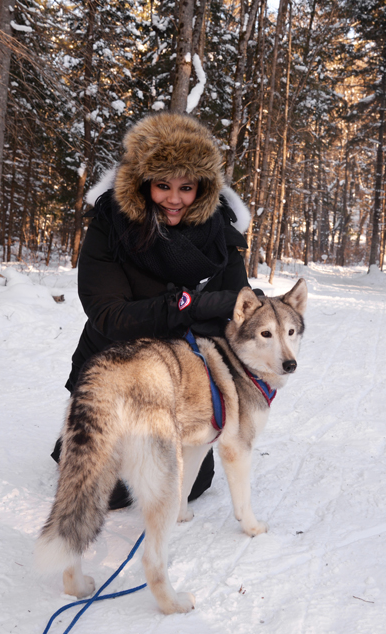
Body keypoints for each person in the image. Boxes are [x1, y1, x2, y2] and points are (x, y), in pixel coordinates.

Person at [52, 112, 251, 509]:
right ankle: (79, 436)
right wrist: (189, 306)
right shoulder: (112, 225)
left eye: (186, 187)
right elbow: (110, 315)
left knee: (186, 484)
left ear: (204, 188)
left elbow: (237, 307)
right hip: (115, 367)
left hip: (180, 377)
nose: (174, 199)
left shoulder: (219, 234)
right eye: (162, 185)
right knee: (111, 491)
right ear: (143, 184)